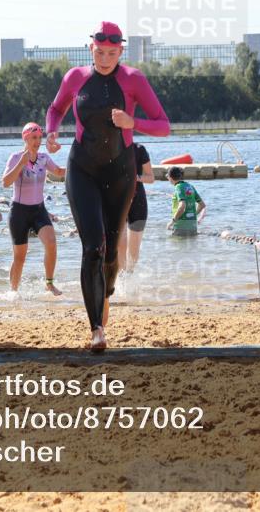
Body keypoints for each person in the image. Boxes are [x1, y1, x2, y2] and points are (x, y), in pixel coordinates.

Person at [45, 21, 170, 352]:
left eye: (112, 53)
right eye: (99, 52)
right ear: (91, 49)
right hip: (82, 168)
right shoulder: (75, 78)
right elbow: (56, 109)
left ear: (121, 51)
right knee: (92, 246)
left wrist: (134, 122)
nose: (105, 59)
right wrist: (51, 131)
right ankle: (97, 329)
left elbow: (164, 126)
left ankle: (106, 293)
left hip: (120, 171)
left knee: (112, 253)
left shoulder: (133, 79)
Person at [3, 122, 66, 295]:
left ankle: (49, 283)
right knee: (20, 257)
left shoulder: (44, 158)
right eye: (33, 138)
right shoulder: (15, 158)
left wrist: (82, 165)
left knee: (52, 243)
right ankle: (13, 292)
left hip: (39, 210)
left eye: (39, 138)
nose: (37, 141)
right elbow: (5, 182)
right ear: (25, 138)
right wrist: (21, 164)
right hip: (19, 212)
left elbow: (59, 172)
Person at [117, 143, 154, 272]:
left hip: (138, 203)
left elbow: (150, 178)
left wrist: (136, 177)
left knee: (134, 250)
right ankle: (120, 277)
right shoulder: (108, 147)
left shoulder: (139, 149)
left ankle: (129, 277)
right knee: (120, 243)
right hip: (117, 202)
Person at [166, 166, 205, 237]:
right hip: (192, 226)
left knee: (174, 245)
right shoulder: (190, 186)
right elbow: (202, 205)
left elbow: (182, 206)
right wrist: (193, 214)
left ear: (170, 177)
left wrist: (172, 221)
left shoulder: (178, 187)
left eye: (167, 177)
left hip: (181, 226)